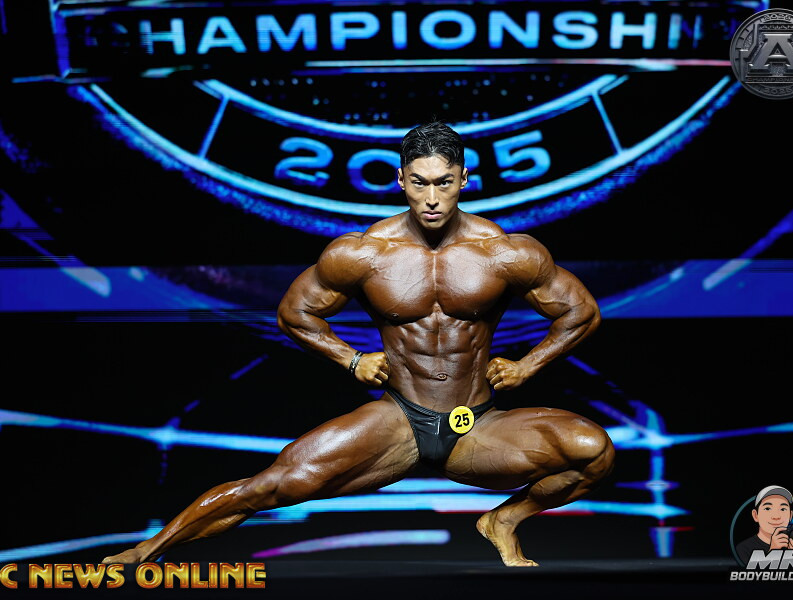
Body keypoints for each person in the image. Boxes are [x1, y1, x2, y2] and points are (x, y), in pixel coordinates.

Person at [102, 122, 614, 567]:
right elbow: (294, 314)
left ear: (463, 180)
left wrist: (527, 367)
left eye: (443, 183)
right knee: (271, 486)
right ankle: (144, 553)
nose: (432, 198)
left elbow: (581, 313)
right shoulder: (364, 253)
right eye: (419, 183)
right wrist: (351, 360)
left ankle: (503, 520)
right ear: (401, 181)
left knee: (593, 452)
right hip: (399, 419)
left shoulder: (504, 252)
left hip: (478, 424)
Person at [736, 485, 793, 566]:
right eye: (768, 508)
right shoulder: (744, 548)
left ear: (790, 516)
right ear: (755, 515)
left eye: (783, 509)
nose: (776, 516)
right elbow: (749, 573)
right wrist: (773, 551)